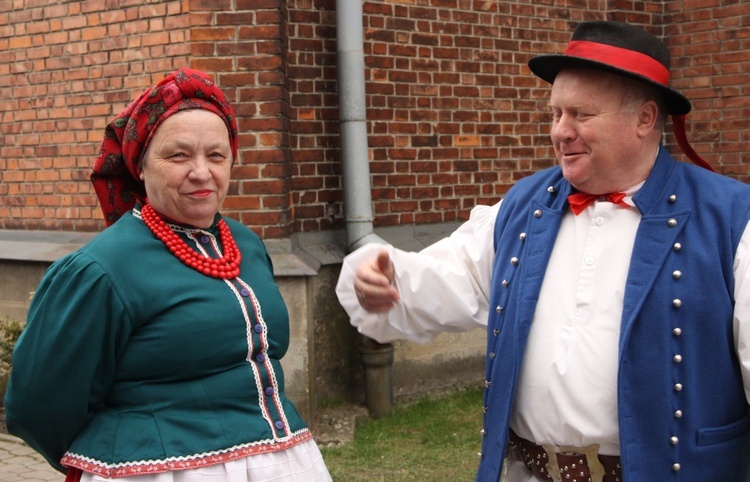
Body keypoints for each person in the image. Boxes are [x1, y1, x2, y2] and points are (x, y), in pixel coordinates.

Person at [336, 21, 750, 481]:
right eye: (555, 114)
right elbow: (450, 278)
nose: (560, 131)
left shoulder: (730, 220)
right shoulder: (523, 207)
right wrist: (385, 282)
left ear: (645, 119)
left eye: (581, 115)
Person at [4, 68, 332, 482]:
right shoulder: (100, 269)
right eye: (178, 155)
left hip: (283, 464)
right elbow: (37, 406)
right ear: (140, 166)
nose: (201, 172)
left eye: (216, 155)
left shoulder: (246, 244)